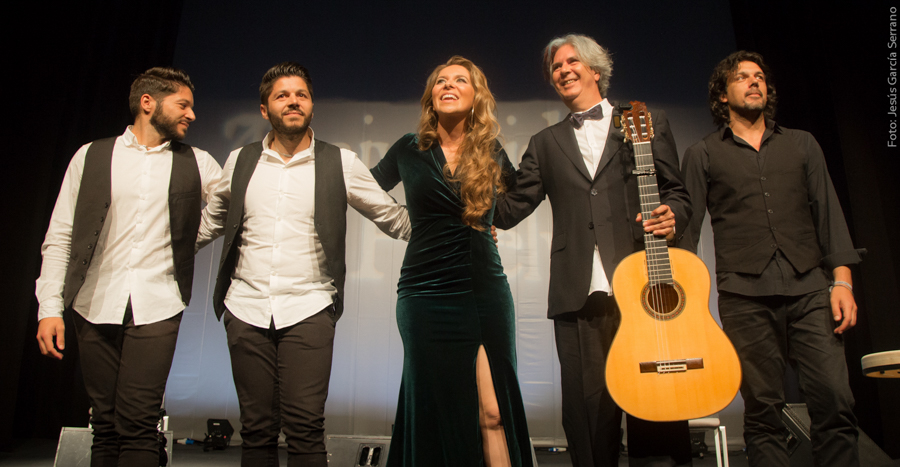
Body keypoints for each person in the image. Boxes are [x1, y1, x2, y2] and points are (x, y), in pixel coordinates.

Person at [196, 62, 411, 467]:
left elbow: (394, 217)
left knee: (305, 427)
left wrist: (459, 232)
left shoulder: (339, 162)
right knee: (256, 429)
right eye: (282, 95)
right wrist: (157, 249)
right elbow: (210, 223)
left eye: (302, 95)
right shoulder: (240, 161)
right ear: (265, 110)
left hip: (309, 308)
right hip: (245, 307)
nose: (293, 101)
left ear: (311, 105)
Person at [493, 34, 693, 467]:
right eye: (555, 67)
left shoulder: (643, 119)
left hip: (644, 288)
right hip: (577, 293)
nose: (562, 70)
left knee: (654, 400)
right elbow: (510, 208)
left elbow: (677, 193)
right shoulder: (545, 143)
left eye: (571, 62)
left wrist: (672, 214)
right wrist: (474, 165)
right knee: (586, 415)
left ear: (595, 70)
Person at [680, 51, 863, 467]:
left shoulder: (802, 144)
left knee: (835, 400)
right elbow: (685, 235)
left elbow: (828, 214)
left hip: (811, 289)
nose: (754, 82)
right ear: (722, 95)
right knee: (763, 411)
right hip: (745, 297)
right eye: (742, 77)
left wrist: (843, 282)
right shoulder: (703, 153)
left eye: (759, 76)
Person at [34, 67, 222, 467]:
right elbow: (61, 235)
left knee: (138, 422)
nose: (191, 115)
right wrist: (49, 308)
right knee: (104, 424)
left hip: (157, 303)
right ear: (148, 103)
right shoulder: (91, 155)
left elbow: (229, 210)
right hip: (95, 301)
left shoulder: (198, 162)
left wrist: (185, 241)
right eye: (183, 105)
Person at [370, 56, 533, 467]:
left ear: (476, 96)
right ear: (431, 97)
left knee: (493, 412)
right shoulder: (409, 148)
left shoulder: (491, 150)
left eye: (460, 80)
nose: (448, 85)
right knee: (434, 411)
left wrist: (493, 220)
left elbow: (521, 195)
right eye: (441, 80)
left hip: (485, 291)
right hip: (424, 293)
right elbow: (363, 187)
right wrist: (403, 224)